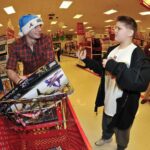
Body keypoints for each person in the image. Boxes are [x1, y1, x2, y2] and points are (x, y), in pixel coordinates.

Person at [77, 16, 150, 150]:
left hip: (124, 105)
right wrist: (86, 60)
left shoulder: (138, 54)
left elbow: (140, 83)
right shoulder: (112, 50)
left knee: (122, 130)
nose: (114, 30)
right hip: (108, 97)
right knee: (106, 121)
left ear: (130, 32)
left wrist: (115, 66)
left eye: (118, 28)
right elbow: (102, 68)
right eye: (115, 27)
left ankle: (121, 147)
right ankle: (106, 137)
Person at [6, 14, 55, 85]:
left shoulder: (46, 39)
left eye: (40, 26)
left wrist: (30, 76)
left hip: (47, 75)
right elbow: (10, 69)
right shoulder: (16, 46)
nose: (40, 29)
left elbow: (50, 62)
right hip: (29, 81)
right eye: (35, 27)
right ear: (26, 30)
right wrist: (18, 80)